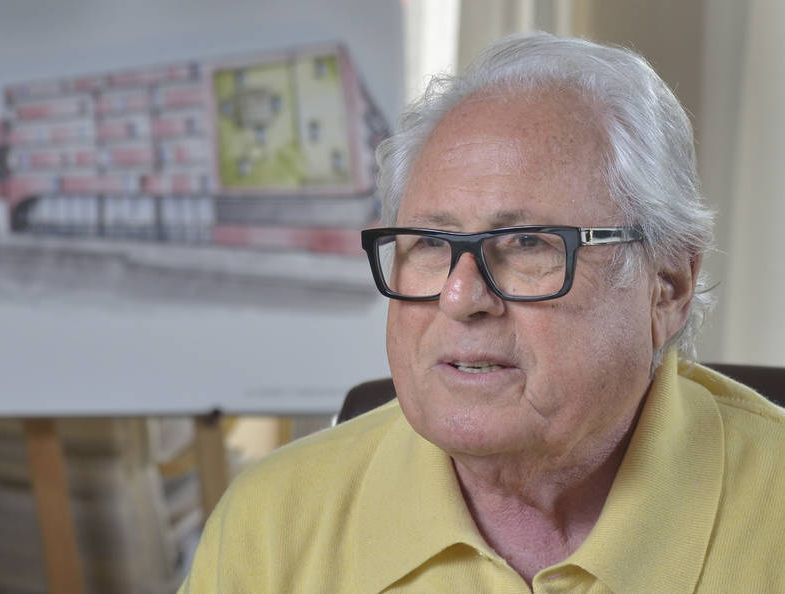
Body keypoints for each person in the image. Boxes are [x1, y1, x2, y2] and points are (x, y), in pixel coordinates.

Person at [179, 32, 785, 592]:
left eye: (527, 243)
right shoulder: (269, 524)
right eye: (431, 244)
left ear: (668, 286)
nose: (461, 297)